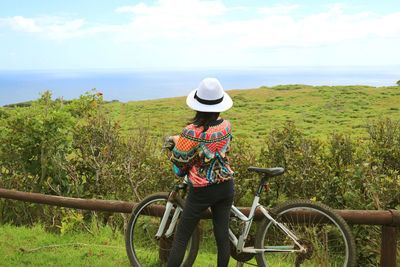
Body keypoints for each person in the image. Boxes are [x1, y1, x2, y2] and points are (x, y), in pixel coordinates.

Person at [167, 78, 235, 267]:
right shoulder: (226, 126)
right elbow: (210, 142)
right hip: (226, 186)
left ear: (197, 105)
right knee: (222, 238)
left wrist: (175, 143)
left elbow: (180, 165)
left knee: (181, 238)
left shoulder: (190, 132)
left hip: (202, 190)